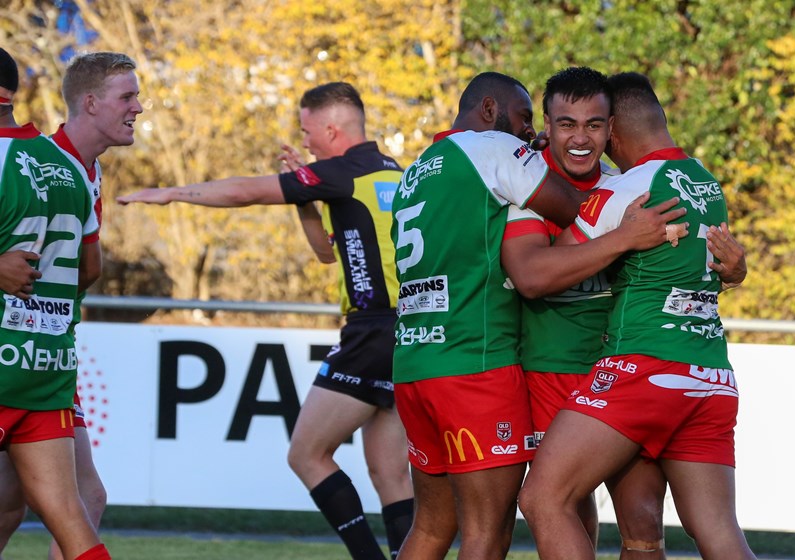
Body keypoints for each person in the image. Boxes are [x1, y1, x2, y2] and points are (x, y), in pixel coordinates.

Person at [389, 71, 689, 560]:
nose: (529, 133)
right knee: (498, 527)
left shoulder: (420, 169)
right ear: (491, 111)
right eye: (537, 121)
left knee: (433, 528)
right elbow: (552, 246)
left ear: (610, 129)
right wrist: (620, 227)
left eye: (593, 125)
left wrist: (723, 265)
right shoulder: (499, 157)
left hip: (423, 360)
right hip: (484, 364)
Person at [117, 81, 414, 560]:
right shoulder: (392, 173)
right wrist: (305, 195)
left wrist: (173, 193)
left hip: (371, 330)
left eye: (308, 130)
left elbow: (244, 193)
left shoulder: (341, 171)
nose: (306, 142)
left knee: (306, 454)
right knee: (390, 473)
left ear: (332, 128)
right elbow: (325, 254)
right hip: (405, 334)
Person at [504, 66, 747, 559]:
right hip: (709, 376)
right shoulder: (707, 183)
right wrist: (735, 272)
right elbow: (704, 266)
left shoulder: (622, 189)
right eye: (568, 124)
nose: (584, 137)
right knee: (718, 534)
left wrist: (622, 236)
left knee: (543, 497)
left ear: (613, 129)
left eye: (595, 125)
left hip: (643, 369)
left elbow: (534, 275)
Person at [0, 50, 143, 560]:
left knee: (74, 500)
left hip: (31, 354)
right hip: (38, 356)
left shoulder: (79, 170)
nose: (139, 108)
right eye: (128, 96)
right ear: (90, 103)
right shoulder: (54, 162)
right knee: (53, 504)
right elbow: (90, 270)